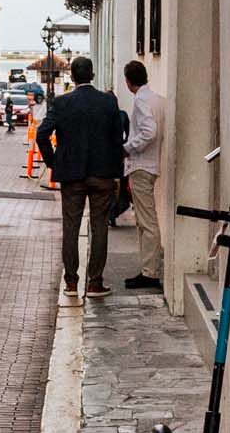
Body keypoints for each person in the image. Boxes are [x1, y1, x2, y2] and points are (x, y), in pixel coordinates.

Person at [36, 54, 124, 302]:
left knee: (71, 228)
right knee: (99, 229)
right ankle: (95, 283)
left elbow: (42, 134)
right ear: (92, 75)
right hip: (103, 174)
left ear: (72, 77)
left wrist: (54, 162)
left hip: (72, 175)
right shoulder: (108, 102)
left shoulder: (63, 103)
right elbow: (118, 138)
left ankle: (72, 282)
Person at [123, 58, 166, 291]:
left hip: (141, 166)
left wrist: (128, 147)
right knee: (146, 219)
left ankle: (149, 272)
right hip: (151, 164)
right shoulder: (158, 100)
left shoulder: (140, 101)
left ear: (128, 82)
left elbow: (149, 131)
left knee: (146, 221)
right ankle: (148, 269)